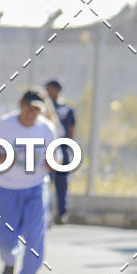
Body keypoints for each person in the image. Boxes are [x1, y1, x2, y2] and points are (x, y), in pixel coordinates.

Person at [0, 89, 57, 274]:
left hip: (36, 188)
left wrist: (53, 163)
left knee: (35, 237)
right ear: (20, 104)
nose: (31, 114)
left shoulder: (47, 128)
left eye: (36, 110)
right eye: (29, 108)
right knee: (6, 239)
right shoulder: (4, 125)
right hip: (7, 189)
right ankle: (9, 262)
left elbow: (55, 159)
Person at [45, 79, 75, 224]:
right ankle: (46, 213)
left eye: (52, 89)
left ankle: (62, 213)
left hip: (61, 148)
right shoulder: (44, 109)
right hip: (47, 148)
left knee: (62, 183)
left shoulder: (66, 109)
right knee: (45, 182)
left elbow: (71, 129)